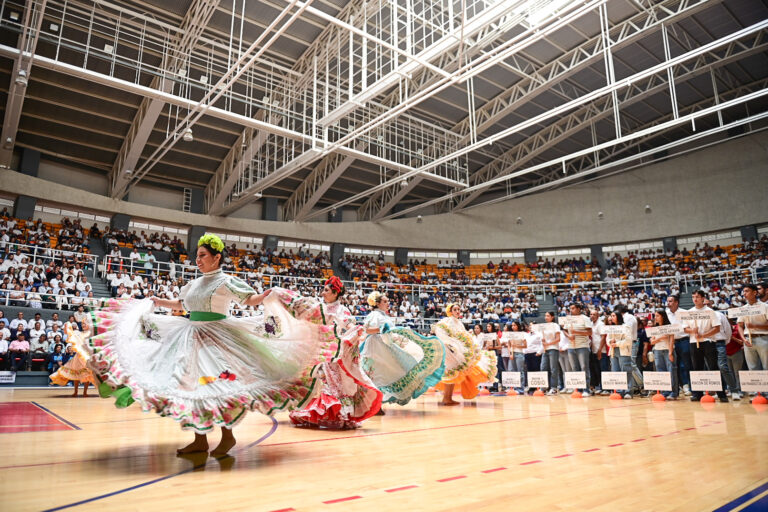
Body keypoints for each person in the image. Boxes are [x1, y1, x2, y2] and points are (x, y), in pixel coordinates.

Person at [78, 234, 337, 456]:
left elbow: (249, 301)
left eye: (202, 255)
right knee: (191, 385)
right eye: (197, 256)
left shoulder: (226, 281)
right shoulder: (193, 283)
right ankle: (200, 440)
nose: (198, 260)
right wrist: (158, 301)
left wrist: (270, 294)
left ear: (217, 258)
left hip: (219, 337)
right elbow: (182, 306)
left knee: (219, 383)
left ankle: (227, 436)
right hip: (190, 334)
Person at [282, 276, 383, 429]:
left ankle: (334, 414)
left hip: (333, 356)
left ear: (336, 293)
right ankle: (314, 414)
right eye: (323, 290)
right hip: (317, 352)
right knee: (316, 382)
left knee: (330, 385)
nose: (323, 293)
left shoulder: (343, 311)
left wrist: (342, 341)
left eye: (326, 290)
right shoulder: (319, 308)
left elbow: (351, 328)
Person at [360, 291, 445, 406]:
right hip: (375, 347)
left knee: (388, 372)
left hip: (385, 345)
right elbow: (367, 330)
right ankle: (375, 404)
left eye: (388, 301)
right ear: (377, 303)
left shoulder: (383, 315)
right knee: (378, 373)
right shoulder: (375, 315)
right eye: (385, 301)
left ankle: (377, 403)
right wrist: (380, 330)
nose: (388, 303)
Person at [431, 303, 498, 405]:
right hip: (451, 352)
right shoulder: (447, 321)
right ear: (450, 311)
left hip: (457, 352)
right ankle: (446, 398)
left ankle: (447, 398)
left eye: (459, 309)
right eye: (455, 309)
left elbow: (463, 335)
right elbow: (440, 331)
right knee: (451, 373)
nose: (458, 311)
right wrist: (450, 345)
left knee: (454, 374)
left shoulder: (458, 322)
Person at [683, 290, 727, 403]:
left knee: (713, 367)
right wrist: (693, 331)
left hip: (709, 342)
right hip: (694, 342)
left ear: (703, 298)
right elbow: (685, 329)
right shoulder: (689, 312)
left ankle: (722, 394)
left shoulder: (710, 311)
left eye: (697, 297)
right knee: (696, 368)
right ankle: (697, 394)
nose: (695, 299)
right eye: (693, 297)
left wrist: (703, 335)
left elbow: (716, 328)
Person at [738, 284, 768, 402]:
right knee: (753, 368)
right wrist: (743, 338)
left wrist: (755, 325)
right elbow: (740, 326)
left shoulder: (764, 306)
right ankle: (758, 393)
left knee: (766, 366)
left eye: (747, 291)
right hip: (748, 340)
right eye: (743, 291)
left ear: (755, 293)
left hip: (763, 338)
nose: (744, 293)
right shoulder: (743, 308)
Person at [50, 325, 97, 396]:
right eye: (83, 325)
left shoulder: (90, 334)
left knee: (87, 374)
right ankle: (76, 391)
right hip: (78, 356)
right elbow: (72, 337)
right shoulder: (79, 334)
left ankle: (85, 392)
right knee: (76, 374)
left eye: (86, 325)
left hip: (86, 356)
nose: (84, 326)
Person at [562, 303, 593, 396]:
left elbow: (589, 332)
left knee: (584, 367)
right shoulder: (569, 319)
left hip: (582, 346)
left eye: (573, 308)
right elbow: (565, 331)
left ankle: (586, 389)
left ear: (579, 309)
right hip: (571, 346)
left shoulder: (585, 318)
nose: (571, 310)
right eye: (570, 308)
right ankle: (578, 389)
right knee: (574, 368)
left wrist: (577, 332)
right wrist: (569, 336)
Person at [648, 310, 678, 400]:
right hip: (657, 351)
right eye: (655, 316)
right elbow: (652, 342)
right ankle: (665, 392)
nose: (655, 318)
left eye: (657, 316)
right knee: (661, 372)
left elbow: (672, 340)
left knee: (671, 371)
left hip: (667, 350)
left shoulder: (669, 327)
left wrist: (670, 352)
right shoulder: (654, 328)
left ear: (663, 316)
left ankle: (673, 392)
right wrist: (661, 338)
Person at [666, 295, 692, 396]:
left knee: (686, 364)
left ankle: (689, 386)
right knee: (674, 365)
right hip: (671, 342)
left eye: (670, 301)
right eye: (668, 301)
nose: (668, 303)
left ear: (676, 302)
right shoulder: (666, 313)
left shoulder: (684, 313)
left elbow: (688, 327)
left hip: (684, 340)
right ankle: (681, 386)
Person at [606, 312, 633, 399]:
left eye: (613, 316)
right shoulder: (611, 328)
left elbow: (628, 340)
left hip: (623, 350)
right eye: (611, 316)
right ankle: (619, 391)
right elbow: (608, 339)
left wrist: (617, 344)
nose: (612, 317)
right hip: (613, 351)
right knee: (615, 372)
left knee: (625, 371)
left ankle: (628, 391)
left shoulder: (626, 327)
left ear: (618, 317)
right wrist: (610, 342)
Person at [537, 311, 561, 395]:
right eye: (545, 316)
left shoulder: (555, 325)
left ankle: (554, 388)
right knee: (543, 368)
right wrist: (543, 341)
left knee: (553, 369)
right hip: (545, 350)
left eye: (548, 316)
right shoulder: (543, 326)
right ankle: (544, 387)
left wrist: (548, 344)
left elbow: (558, 339)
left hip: (553, 349)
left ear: (552, 317)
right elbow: (542, 338)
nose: (546, 317)